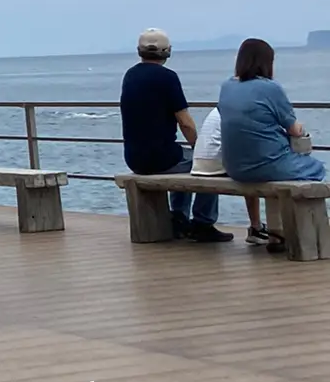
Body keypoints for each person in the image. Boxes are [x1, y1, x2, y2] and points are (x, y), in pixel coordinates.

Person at [120, 27, 230, 242]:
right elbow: (185, 123)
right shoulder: (167, 77)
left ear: (139, 51)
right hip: (161, 159)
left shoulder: (130, 75)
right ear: (167, 51)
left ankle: (178, 217)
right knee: (209, 164)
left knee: (183, 158)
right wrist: (200, 148)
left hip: (134, 158)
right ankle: (203, 222)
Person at [218, 39, 326, 198]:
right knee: (318, 168)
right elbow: (294, 130)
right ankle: (305, 221)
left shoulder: (226, 86)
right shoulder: (270, 88)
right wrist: (302, 128)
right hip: (267, 164)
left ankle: (280, 221)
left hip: (235, 168)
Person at [190, 104, 274, 248]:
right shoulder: (242, 109)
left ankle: (256, 227)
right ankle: (258, 227)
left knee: (249, 165)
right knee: (254, 172)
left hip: (200, 162)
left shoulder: (224, 106)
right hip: (215, 165)